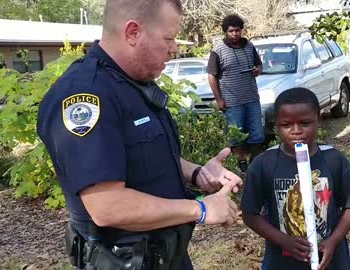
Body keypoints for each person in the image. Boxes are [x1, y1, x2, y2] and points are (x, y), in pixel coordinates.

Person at [36, 1, 241, 269]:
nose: (175, 48)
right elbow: (107, 206)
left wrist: (196, 173)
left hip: (166, 253)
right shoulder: (87, 96)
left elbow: (139, 155)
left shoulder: (131, 83)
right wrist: (202, 209)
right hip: (122, 261)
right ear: (133, 32)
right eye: (168, 38)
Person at [241, 88, 350, 270]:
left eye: (305, 123)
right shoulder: (263, 164)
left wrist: (333, 240)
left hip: (330, 257)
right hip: (282, 261)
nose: (296, 131)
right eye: (286, 125)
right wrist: (283, 240)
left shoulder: (334, 160)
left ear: (318, 121)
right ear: (276, 126)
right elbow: (249, 214)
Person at [207, 14, 264, 173]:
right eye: (231, 31)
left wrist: (257, 71)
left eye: (237, 30)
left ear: (241, 30)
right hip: (232, 101)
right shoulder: (218, 50)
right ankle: (240, 162)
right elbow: (212, 76)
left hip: (252, 98)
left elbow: (259, 65)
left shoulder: (249, 46)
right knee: (236, 135)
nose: (234, 34)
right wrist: (218, 99)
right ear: (226, 32)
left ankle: (254, 163)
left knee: (257, 133)